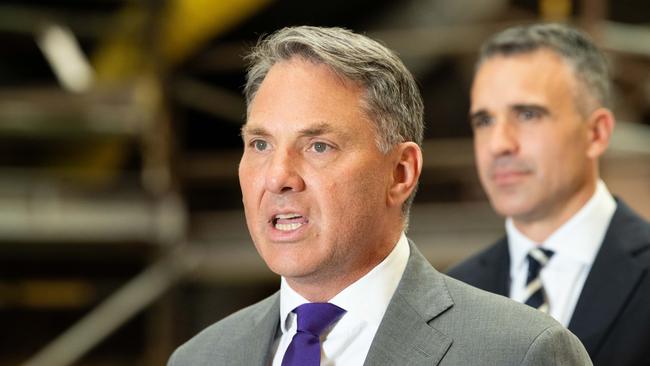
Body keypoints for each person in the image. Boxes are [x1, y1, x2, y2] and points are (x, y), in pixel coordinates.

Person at [168, 25, 591, 366]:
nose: (278, 176)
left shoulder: (520, 353)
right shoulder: (200, 358)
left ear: (401, 173)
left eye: (318, 146)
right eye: (260, 145)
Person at [447, 23, 650, 366]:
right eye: (484, 121)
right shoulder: (452, 292)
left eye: (528, 114)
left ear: (596, 133)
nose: (498, 144)